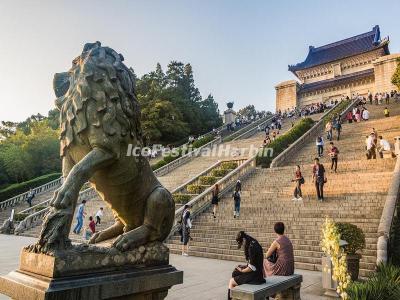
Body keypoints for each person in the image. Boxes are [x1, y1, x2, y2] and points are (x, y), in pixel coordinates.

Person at [228, 231, 265, 299]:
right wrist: (243, 267)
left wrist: (242, 270)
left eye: (242, 243)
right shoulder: (253, 242)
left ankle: (232, 298)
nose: (242, 245)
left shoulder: (251, 247)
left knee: (231, 281)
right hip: (258, 273)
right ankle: (239, 297)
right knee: (235, 273)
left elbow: (252, 268)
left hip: (255, 277)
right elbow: (253, 263)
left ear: (244, 240)